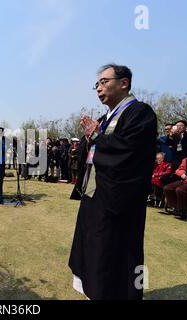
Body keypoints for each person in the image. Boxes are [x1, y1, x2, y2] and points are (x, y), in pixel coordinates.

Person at [68, 64, 158, 300]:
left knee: (115, 253)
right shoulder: (103, 119)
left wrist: (98, 138)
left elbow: (130, 152)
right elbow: (89, 156)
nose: (99, 88)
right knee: (94, 249)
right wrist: (91, 141)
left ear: (124, 83)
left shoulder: (140, 113)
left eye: (104, 82)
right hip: (94, 196)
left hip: (119, 202)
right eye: (96, 84)